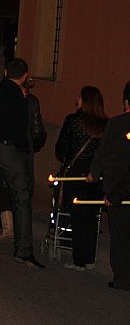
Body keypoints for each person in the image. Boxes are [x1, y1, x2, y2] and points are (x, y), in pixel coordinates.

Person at [0, 58, 44, 267]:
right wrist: (23, 154)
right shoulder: (21, 97)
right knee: (22, 198)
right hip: (10, 150)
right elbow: (21, 128)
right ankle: (23, 250)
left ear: (5, 72)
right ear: (25, 76)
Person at [56, 86, 107, 271]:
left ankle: (78, 260)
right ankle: (89, 258)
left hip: (76, 172)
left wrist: (65, 159)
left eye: (79, 96)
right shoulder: (105, 124)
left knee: (77, 215)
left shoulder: (73, 120)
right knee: (92, 216)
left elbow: (62, 149)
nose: (76, 99)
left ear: (84, 100)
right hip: (96, 174)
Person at [88, 81, 130, 290]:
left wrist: (94, 174)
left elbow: (103, 153)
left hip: (118, 190)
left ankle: (123, 278)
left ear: (126, 102)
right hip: (121, 188)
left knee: (121, 234)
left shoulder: (117, 124)